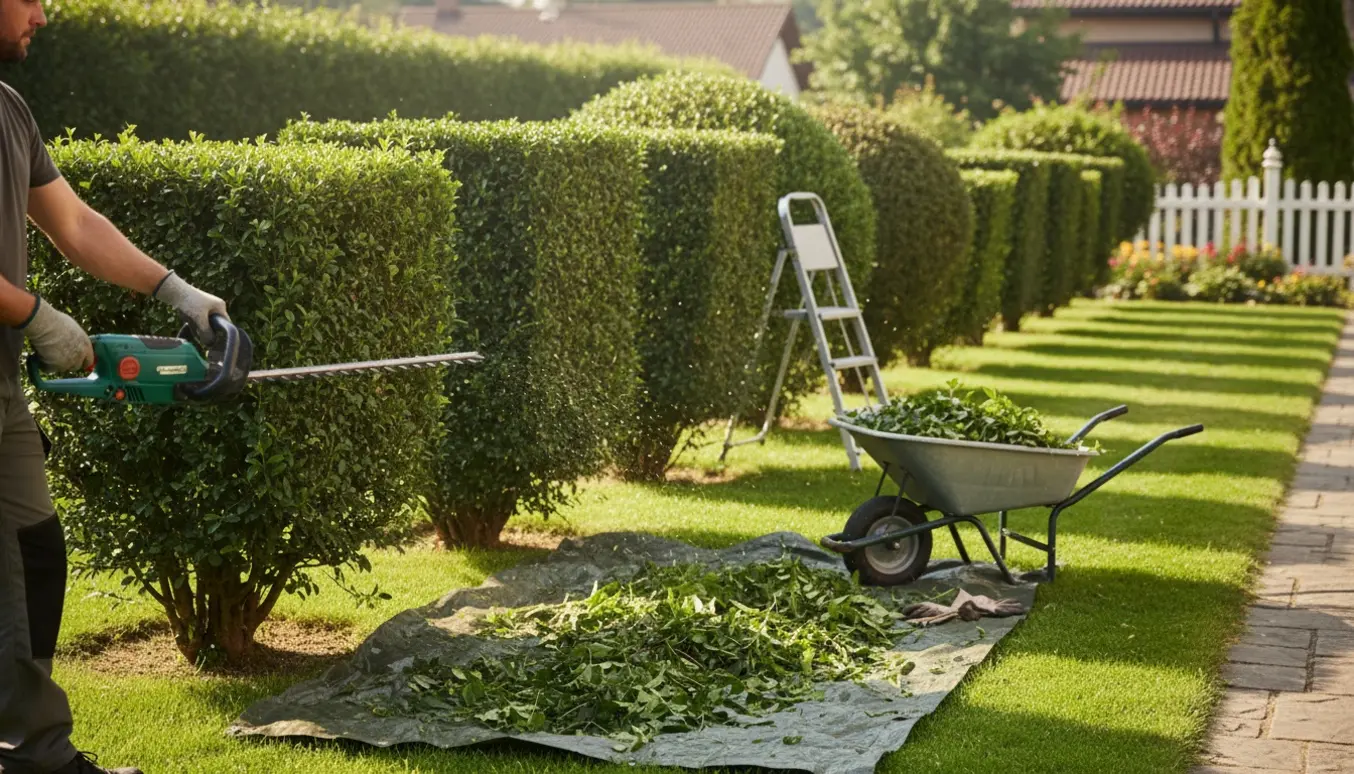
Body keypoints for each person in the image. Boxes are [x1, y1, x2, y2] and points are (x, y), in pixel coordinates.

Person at [0, 1, 231, 773]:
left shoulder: (9, 110)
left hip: (2, 390)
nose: (43, 14)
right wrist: (34, 312)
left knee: (36, 556)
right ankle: (35, 757)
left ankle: (28, 751)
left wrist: (177, 293)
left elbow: (74, 223)